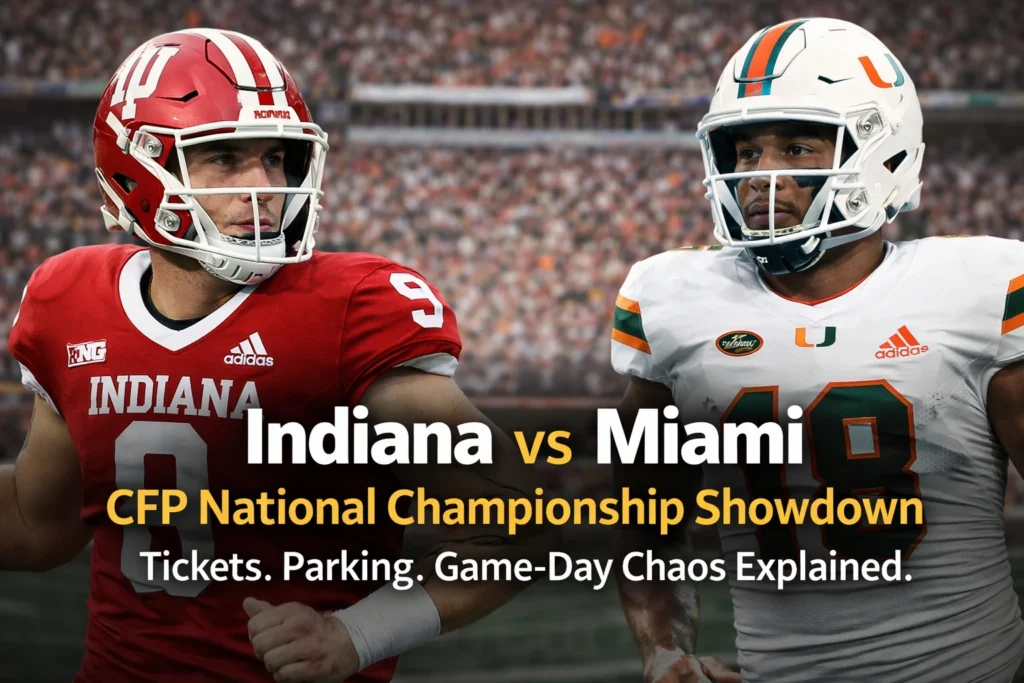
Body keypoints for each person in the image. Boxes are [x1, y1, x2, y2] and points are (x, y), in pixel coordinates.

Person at [1, 29, 552, 682]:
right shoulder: (68, 297)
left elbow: (519, 529)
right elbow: (38, 524)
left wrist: (353, 635)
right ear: (137, 169)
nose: (263, 187)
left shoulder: (353, 307)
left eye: (277, 158)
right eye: (225, 159)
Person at [611, 17, 1024, 683]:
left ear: (883, 152)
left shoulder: (982, 290)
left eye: (798, 148)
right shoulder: (672, 299)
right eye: (745, 153)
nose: (758, 176)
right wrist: (663, 650)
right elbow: (646, 519)